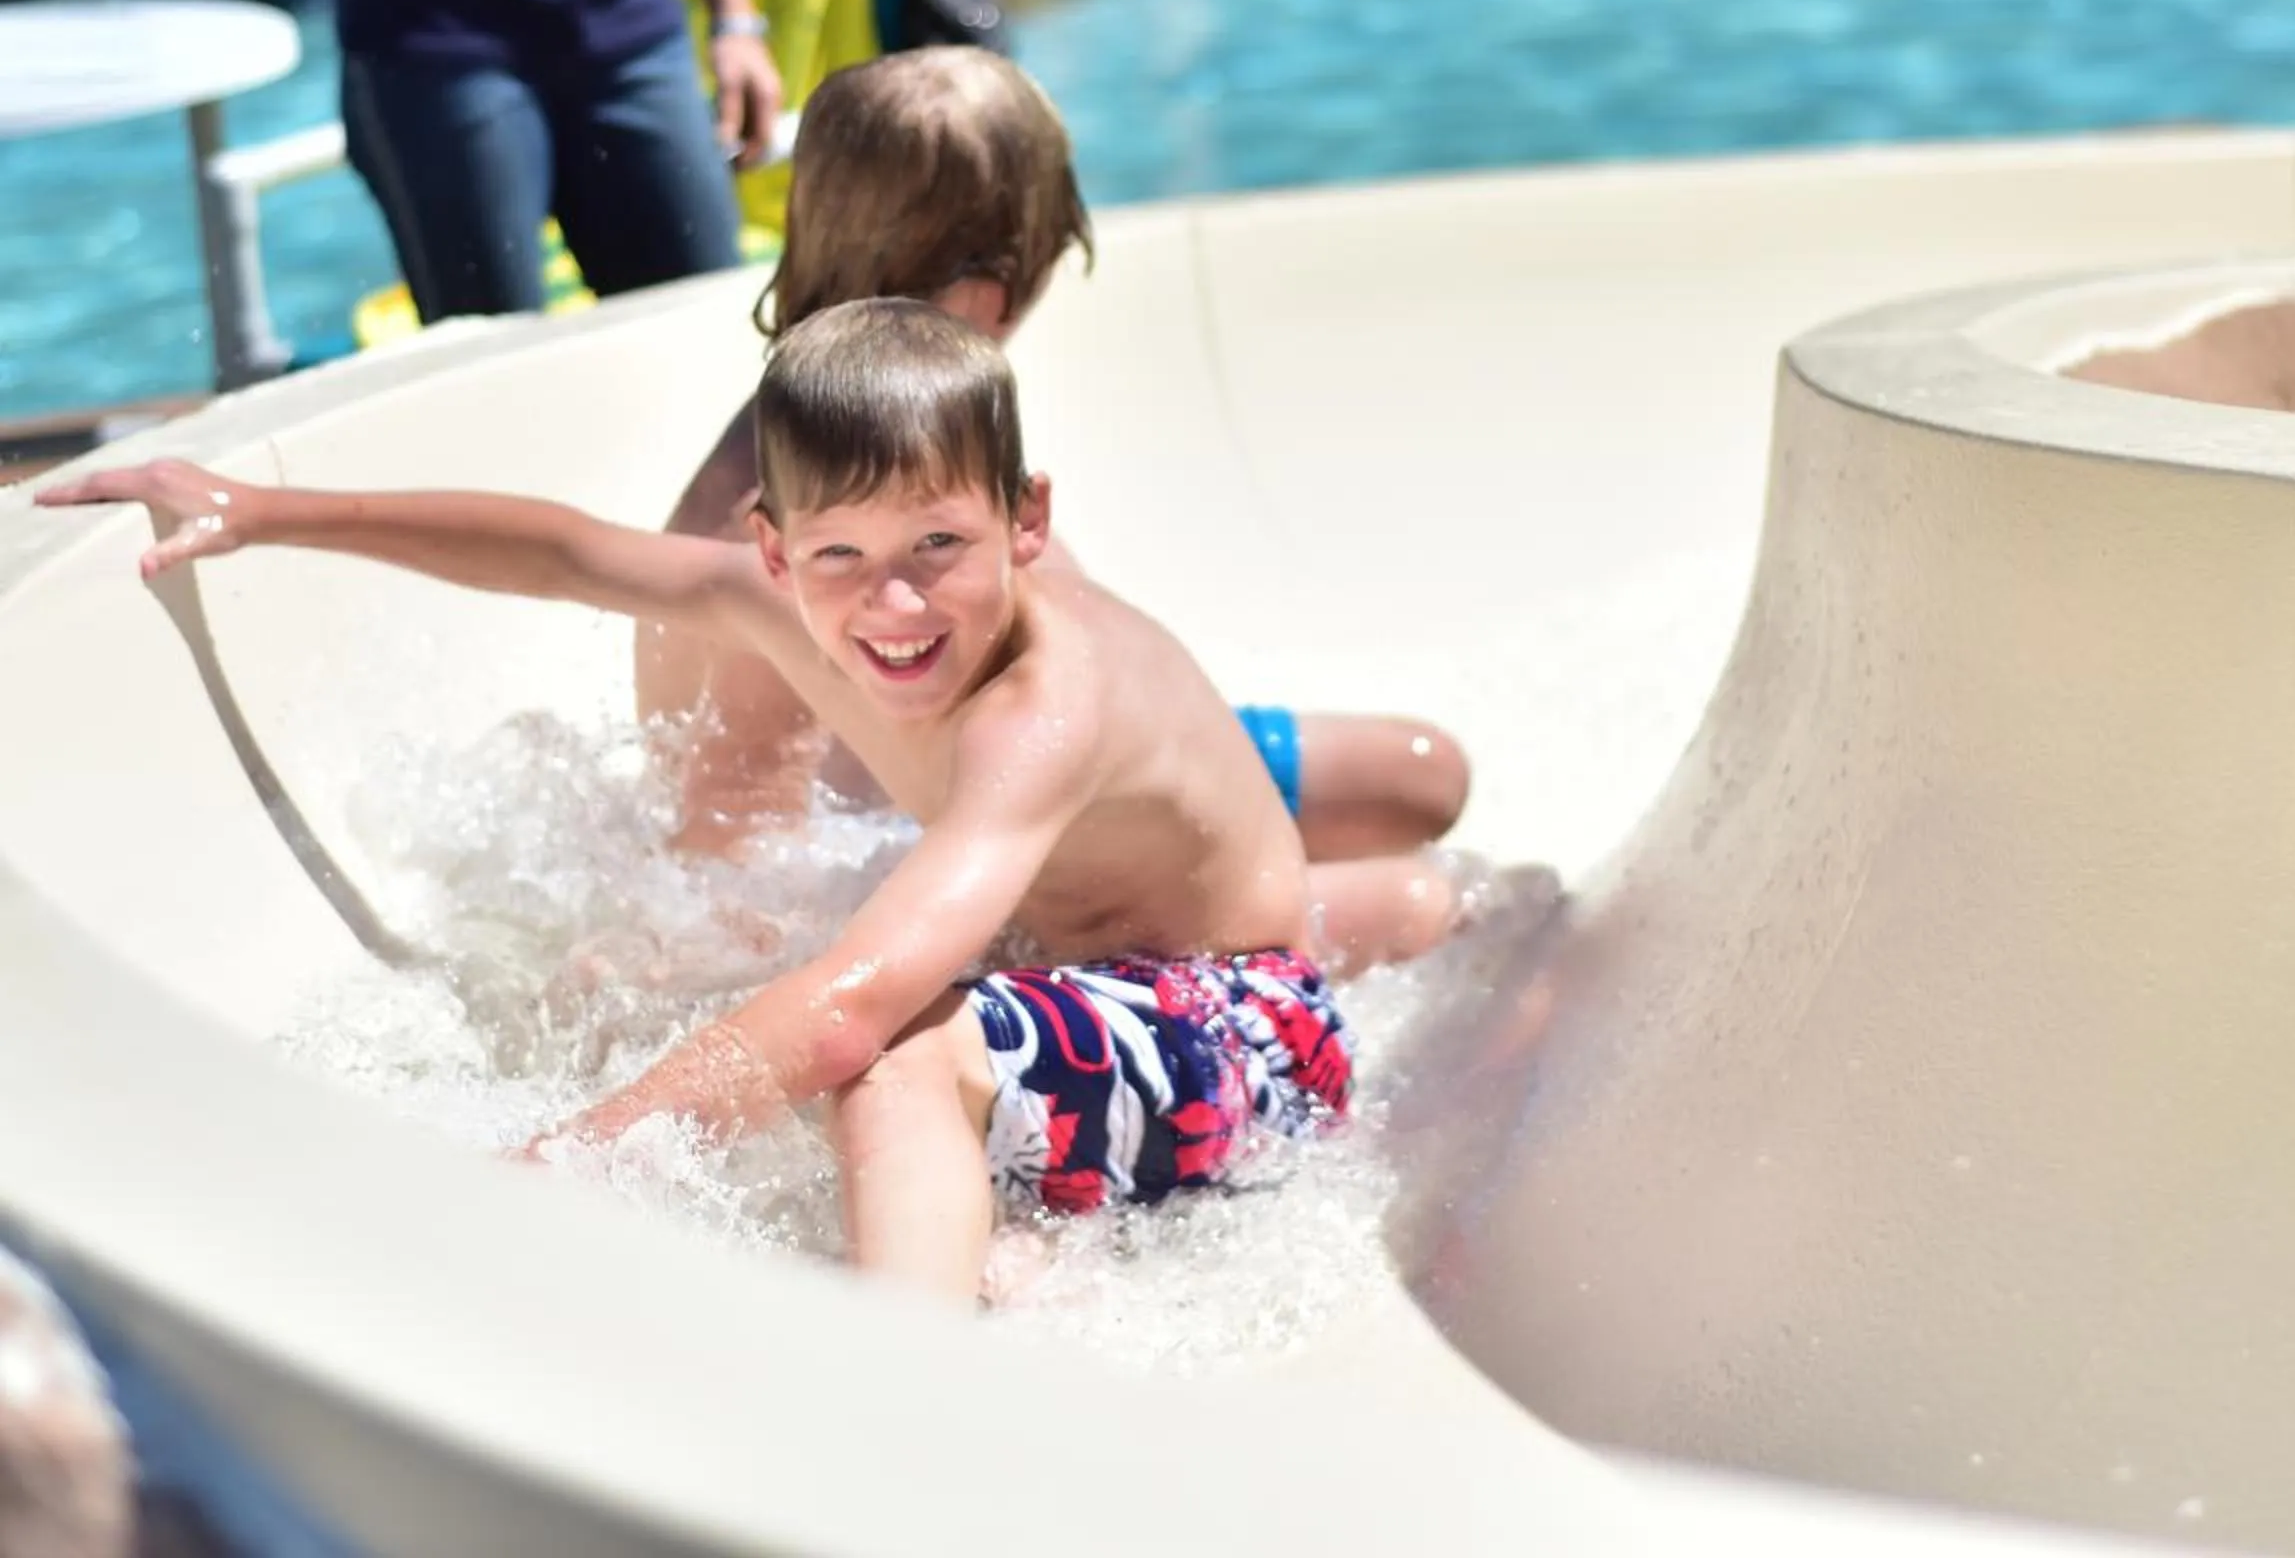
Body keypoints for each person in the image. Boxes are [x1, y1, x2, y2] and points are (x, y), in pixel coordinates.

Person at [44, 300, 1359, 1305]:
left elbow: (848, 1012)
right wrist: (256, 505)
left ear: (1026, 520)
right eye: (840, 559)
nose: (892, 609)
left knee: (894, 1062)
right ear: (775, 552)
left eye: (937, 550)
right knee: (689, 974)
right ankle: (1010, 1256)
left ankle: (917, 1416)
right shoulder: (779, 606)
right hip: (1097, 960)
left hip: (1260, 1033)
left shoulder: (1038, 714)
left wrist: (566, 1162)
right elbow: (565, 553)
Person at [638, 47, 1472, 972]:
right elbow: (744, 838)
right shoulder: (810, 517)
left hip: (1084, 782)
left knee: (1418, 776)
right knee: (1423, 899)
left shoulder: (861, 435)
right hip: (1001, 852)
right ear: (989, 296)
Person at [325, 0, 785, 323]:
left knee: (704, 325)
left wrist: (734, 16)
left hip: (628, 17)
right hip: (438, 44)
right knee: (489, 358)